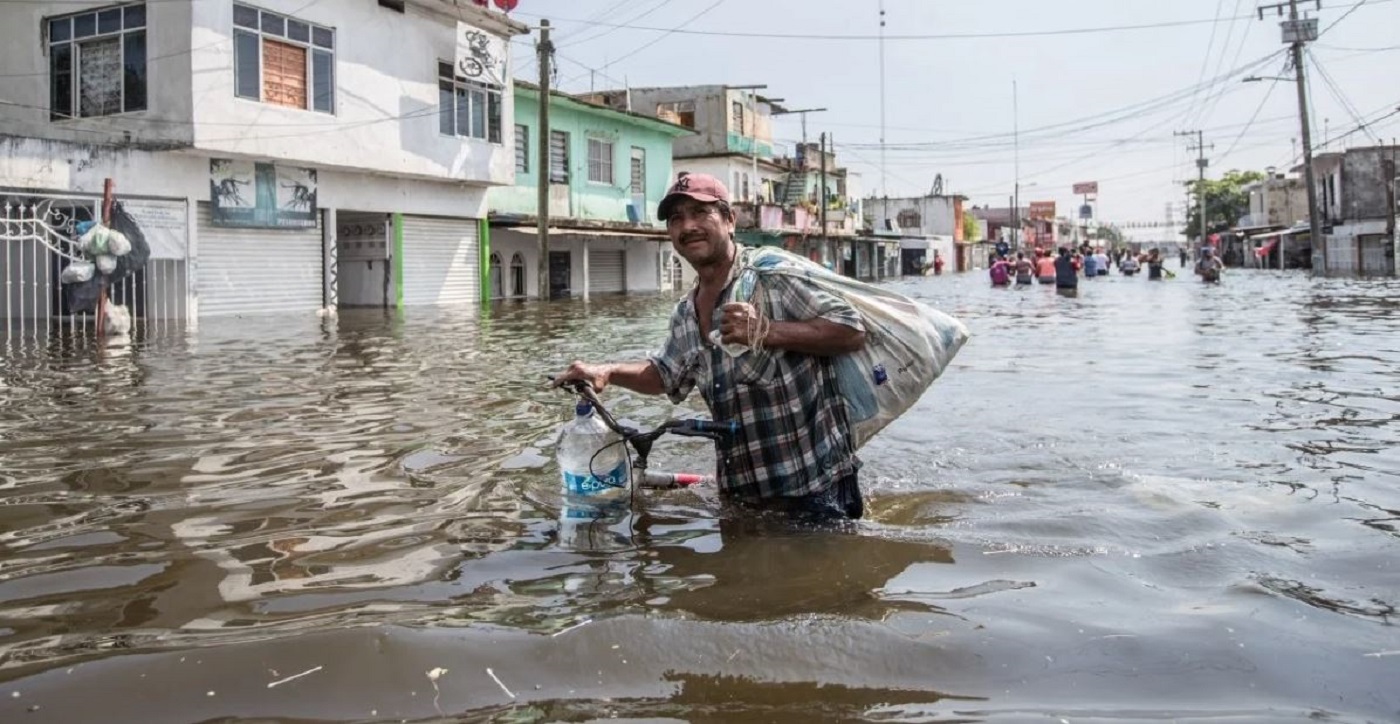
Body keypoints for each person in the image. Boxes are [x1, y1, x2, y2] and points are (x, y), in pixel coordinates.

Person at [552, 173, 867, 522]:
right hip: (741, 498)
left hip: (816, 492)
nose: (688, 226)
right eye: (676, 219)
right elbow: (664, 375)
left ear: (730, 220)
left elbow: (851, 330)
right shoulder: (687, 312)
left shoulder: (771, 276)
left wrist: (767, 330)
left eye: (700, 213)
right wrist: (607, 371)